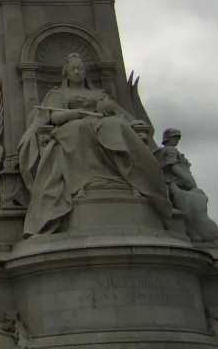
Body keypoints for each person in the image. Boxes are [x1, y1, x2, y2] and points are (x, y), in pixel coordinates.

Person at [17, 53, 172, 236]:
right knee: (79, 129)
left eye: (80, 68)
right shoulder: (57, 94)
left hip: (101, 124)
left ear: (86, 72)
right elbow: (54, 117)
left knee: (117, 126)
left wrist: (130, 122)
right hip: (71, 126)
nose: (76, 71)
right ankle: (86, 182)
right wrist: (76, 114)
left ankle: (127, 177)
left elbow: (119, 114)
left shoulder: (98, 94)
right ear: (65, 72)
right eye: (72, 68)